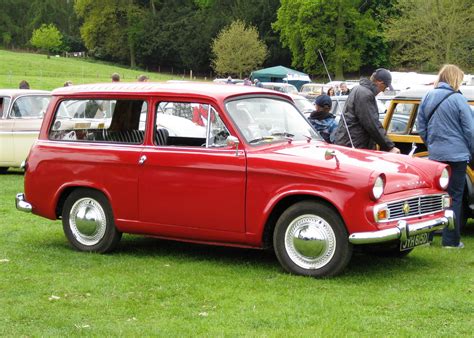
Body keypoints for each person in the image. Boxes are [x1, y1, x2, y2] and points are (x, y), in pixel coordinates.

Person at [417, 64, 473, 249]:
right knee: (454, 197)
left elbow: (421, 126)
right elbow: (470, 130)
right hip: (457, 156)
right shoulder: (459, 100)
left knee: (434, 196)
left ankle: (425, 237)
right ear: (455, 79)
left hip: (435, 155)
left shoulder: (427, 96)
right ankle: (451, 241)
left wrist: (431, 144)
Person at [333, 68, 400, 153]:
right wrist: (389, 147)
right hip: (354, 146)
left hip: (348, 143)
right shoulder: (365, 94)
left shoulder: (358, 89)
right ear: (379, 82)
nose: (383, 90)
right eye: (385, 86)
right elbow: (372, 124)